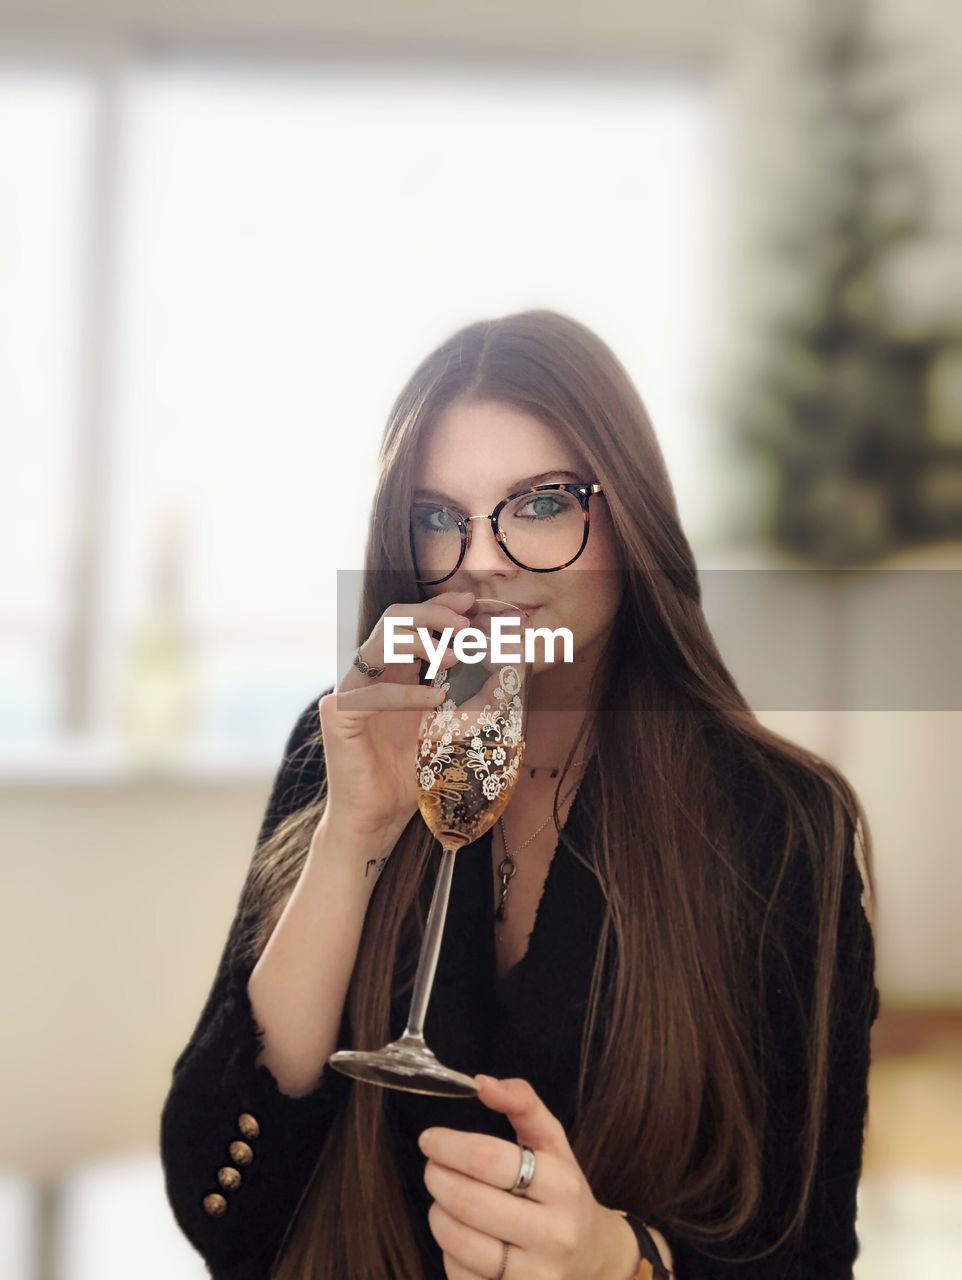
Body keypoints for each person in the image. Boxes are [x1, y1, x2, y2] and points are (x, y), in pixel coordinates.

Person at [160, 310, 880, 1280]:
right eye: (436, 514)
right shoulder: (344, 741)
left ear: (628, 515)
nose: (481, 558)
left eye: (539, 502)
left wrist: (617, 1261)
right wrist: (353, 829)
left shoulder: (777, 818)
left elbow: (807, 1251)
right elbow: (224, 1207)